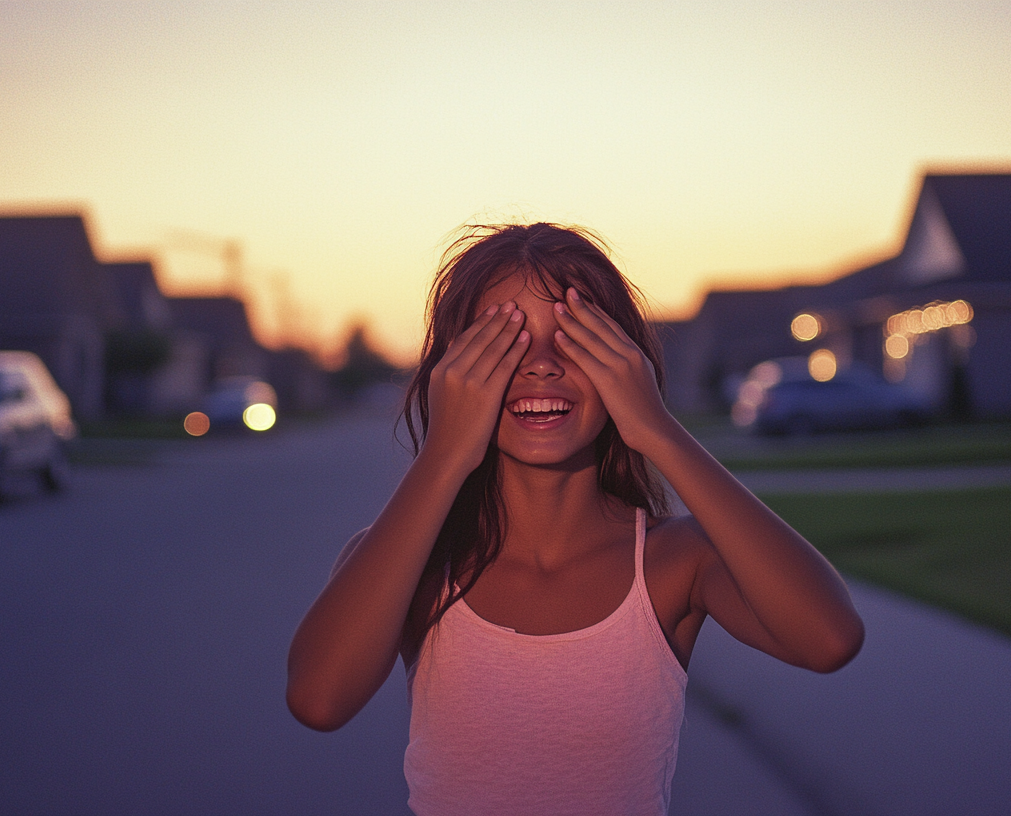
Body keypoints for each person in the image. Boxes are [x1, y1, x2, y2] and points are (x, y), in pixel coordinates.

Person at [286, 223, 864, 816]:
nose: (540, 365)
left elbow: (829, 639)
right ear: (450, 375)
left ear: (626, 365)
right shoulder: (411, 562)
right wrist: (443, 453)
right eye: (503, 343)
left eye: (572, 338)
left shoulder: (673, 563)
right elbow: (319, 700)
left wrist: (658, 430)